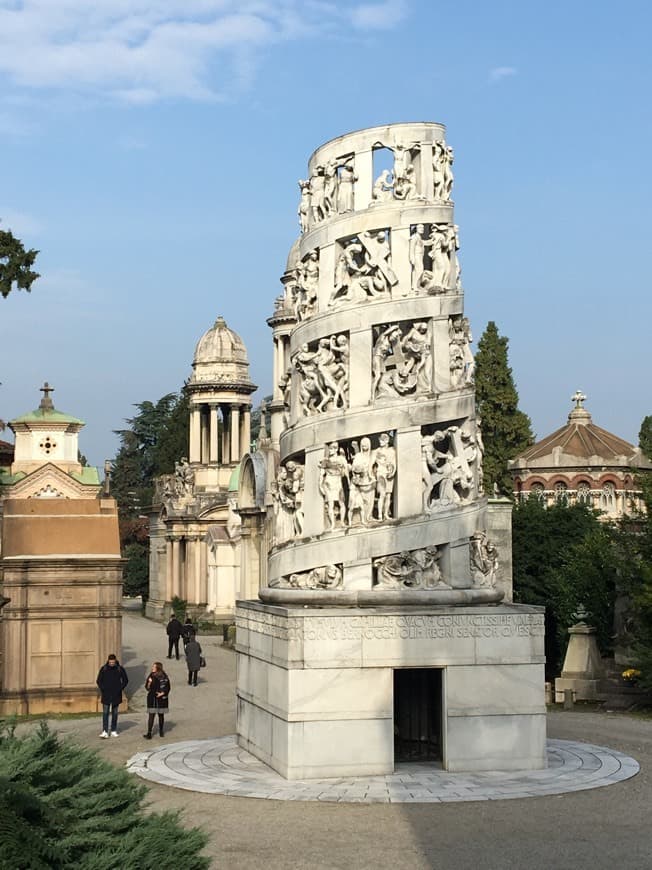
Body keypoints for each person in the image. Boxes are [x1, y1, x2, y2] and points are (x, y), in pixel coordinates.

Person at [96, 653, 128, 738]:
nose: (112, 664)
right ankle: (105, 730)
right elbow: (99, 680)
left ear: (115, 661)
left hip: (116, 694)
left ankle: (113, 730)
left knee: (115, 713)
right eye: (110, 662)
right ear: (108, 661)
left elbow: (125, 680)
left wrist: (120, 688)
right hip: (106, 694)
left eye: (113, 662)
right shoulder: (104, 669)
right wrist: (103, 689)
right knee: (105, 713)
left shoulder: (119, 669)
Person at [144, 661, 171, 739]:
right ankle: (149, 733)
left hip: (161, 699)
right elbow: (147, 687)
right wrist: (149, 683)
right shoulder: (151, 676)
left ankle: (161, 731)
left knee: (160, 715)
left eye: (154, 667)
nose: (152, 668)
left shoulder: (164, 677)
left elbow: (168, 687)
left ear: (158, 668)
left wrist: (162, 693)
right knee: (151, 716)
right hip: (152, 699)